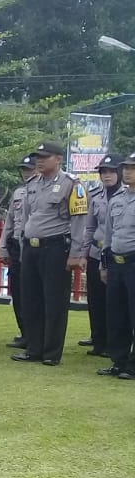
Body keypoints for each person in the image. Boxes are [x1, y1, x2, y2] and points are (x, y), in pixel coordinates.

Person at [12, 140, 88, 366]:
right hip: (32, 246)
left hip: (55, 247)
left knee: (54, 301)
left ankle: (51, 352)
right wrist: (23, 246)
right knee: (31, 300)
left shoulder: (71, 184)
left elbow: (79, 221)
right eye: (38, 157)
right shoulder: (33, 184)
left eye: (45, 157)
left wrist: (76, 253)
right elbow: (26, 218)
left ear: (58, 159)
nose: (40, 161)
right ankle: (34, 348)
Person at [81, 154, 121, 358]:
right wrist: (83, 253)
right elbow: (89, 227)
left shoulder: (127, 195)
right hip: (96, 252)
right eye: (103, 172)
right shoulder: (95, 195)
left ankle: (114, 343)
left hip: (116, 254)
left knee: (114, 302)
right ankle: (98, 341)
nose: (107, 175)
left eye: (112, 171)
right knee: (95, 300)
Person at [100, 154, 135, 379]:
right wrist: (104, 265)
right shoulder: (118, 198)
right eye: (126, 168)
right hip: (116, 263)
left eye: (133, 168)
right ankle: (119, 361)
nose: (128, 172)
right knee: (116, 315)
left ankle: (132, 366)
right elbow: (109, 234)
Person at [0, 156, 35, 349]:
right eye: (24, 169)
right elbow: (9, 222)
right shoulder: (19, 192)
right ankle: (25, 333)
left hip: (33, 245)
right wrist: (3, 248)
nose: (26, 173)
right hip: (16, 245)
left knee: (32, 293)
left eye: (30, 169)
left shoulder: (41, 192)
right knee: (18, 292)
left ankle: (36, 335)